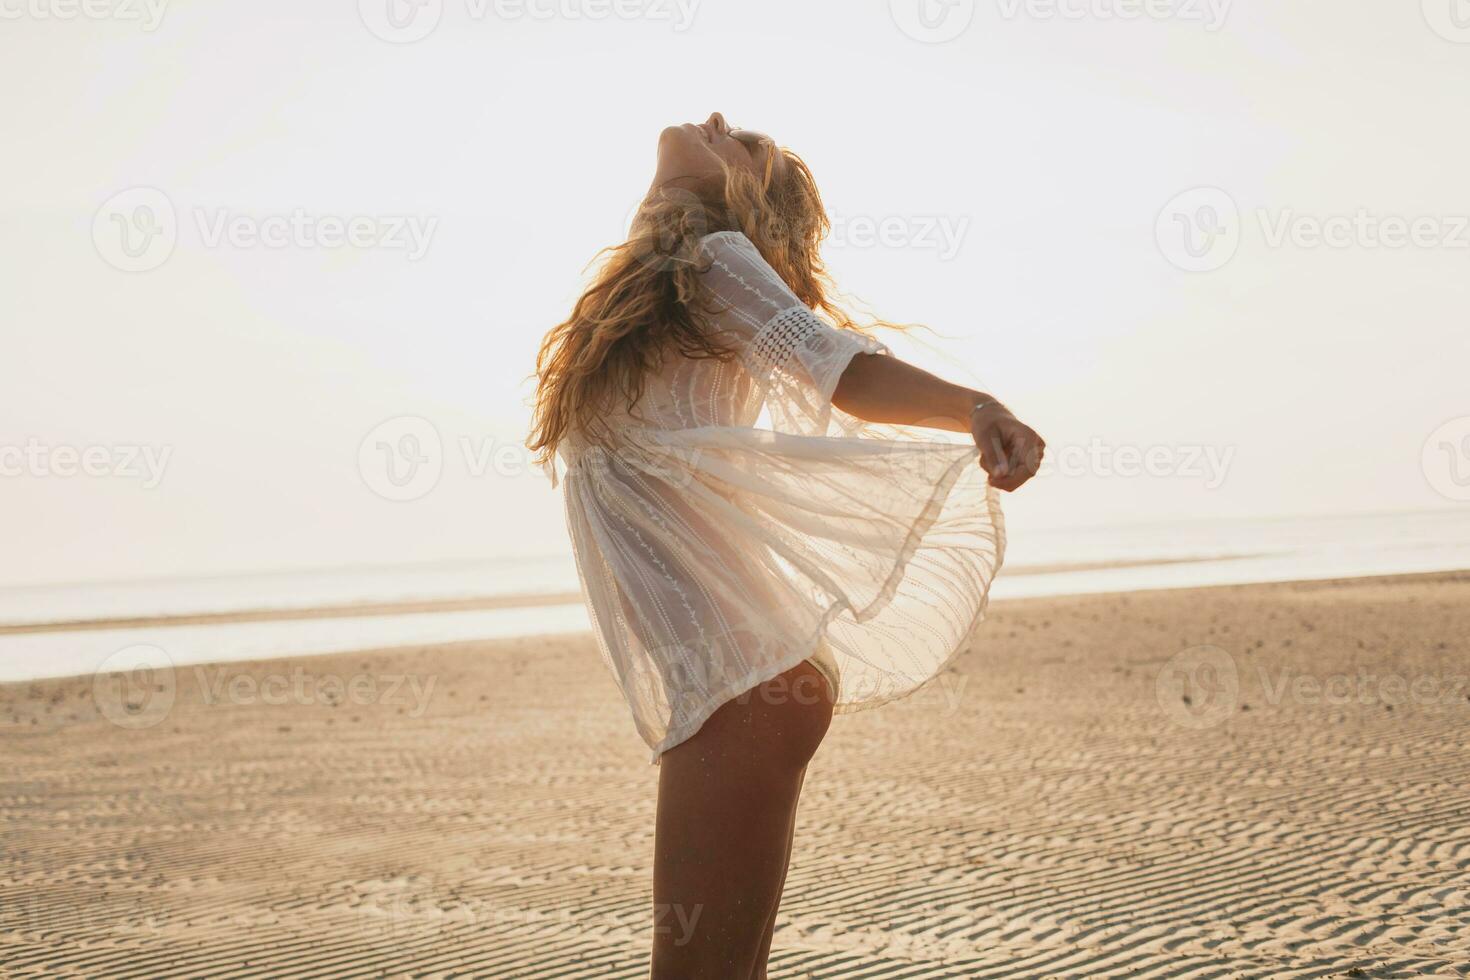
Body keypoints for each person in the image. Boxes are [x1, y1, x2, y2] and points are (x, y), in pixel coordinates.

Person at [529, 112, 1044, 979]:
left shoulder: (718, 263)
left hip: (741, 685)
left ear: (745, 207)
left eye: (744, 150)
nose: (721, 123)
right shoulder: (660, 295)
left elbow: (841, 368)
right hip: (733, 684)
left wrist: (975, 407)